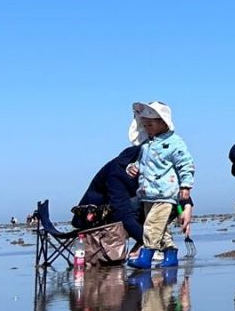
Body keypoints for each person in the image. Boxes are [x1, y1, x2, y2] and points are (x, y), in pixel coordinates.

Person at [125, 102, 193, 270]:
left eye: (150, 124)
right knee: (160, 229)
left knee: (152, 226)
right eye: (145, 125)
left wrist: (185, 185)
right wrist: (132, 168)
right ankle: (170, 254)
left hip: (165, 194)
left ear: (163, 122)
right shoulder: (147, 145)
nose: (147, 128)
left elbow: (186, 164)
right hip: (148, 193)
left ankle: (146, 256)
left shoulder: (174, 142)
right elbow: (142, 164)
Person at [73, 144, 144, 265]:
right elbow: (123, 214)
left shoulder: (156, 169)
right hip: (94, 218)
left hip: (117, 210)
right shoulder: (117, 171)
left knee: (169, 202)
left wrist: (185, 206)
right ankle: (147, 245)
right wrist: (152, 242)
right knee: (150, 202)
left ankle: (142, 245)